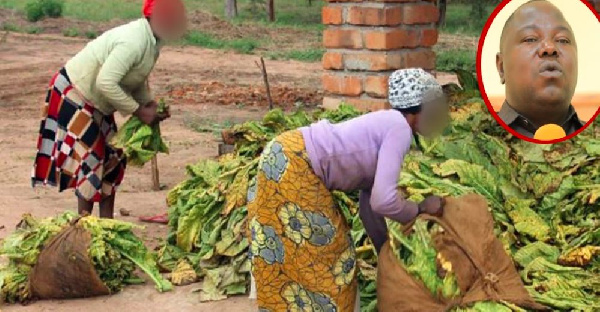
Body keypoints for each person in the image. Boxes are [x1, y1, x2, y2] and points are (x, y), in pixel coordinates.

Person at [247, 68, 449, 312]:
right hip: (295, 164)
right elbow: (383, 201)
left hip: (284, 153)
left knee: (296, 255)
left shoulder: (386, 124)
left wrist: (387, 255)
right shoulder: (399, 129)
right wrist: (419, 208)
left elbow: (369, 209)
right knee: (330, 259)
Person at [31, 0, 187, 218]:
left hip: (97, 100)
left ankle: (106, 223)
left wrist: (149, 104)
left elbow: (136, 78)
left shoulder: (152, 44)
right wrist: (138, 111)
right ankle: (84, 227)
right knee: (91, 157)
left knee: (114, 156)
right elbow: (106, 82)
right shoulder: (133, 42)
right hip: (75, 92)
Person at [495, 0, 582, 138]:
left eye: (562, 40)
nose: (550, 48)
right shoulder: (473, 137)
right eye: (530, 39)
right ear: (501, 67)